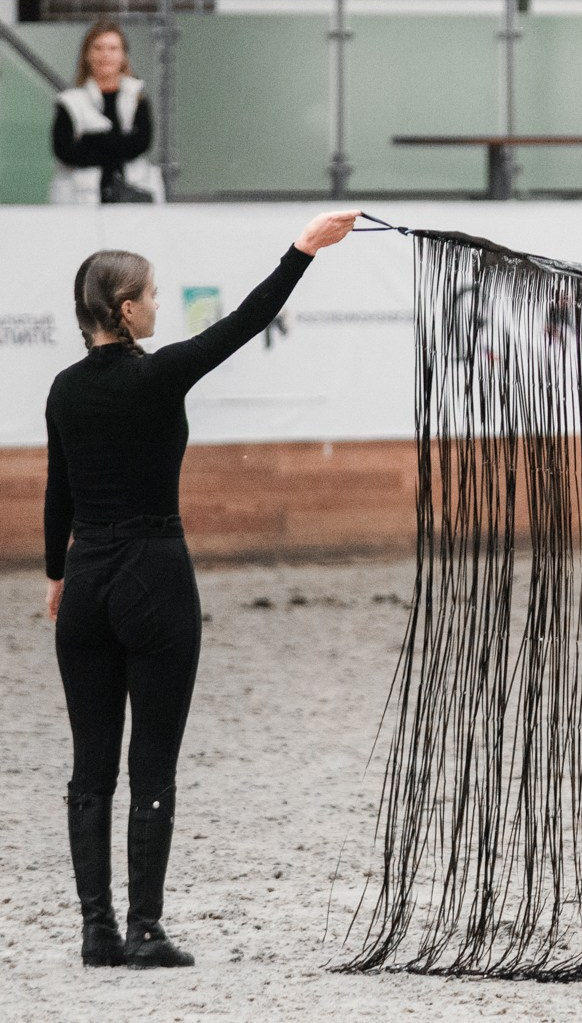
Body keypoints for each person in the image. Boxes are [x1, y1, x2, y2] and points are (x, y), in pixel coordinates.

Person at [44, 210, 362, 969]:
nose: (159, 303)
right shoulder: (158, 375)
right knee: (152, 762)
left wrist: (57, 575)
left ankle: (96, 931)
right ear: (126, 311)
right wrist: (303, 249)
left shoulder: (62, 390)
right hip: (154, 574)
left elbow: (59, 492)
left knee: (91, 765)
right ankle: (144, 929)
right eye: (152, 295)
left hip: (85, 584)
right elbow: (247, 320)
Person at [49, 21, 161, 205]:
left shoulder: (137, 98)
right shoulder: (70, 102)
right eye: (98, 48)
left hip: (132, 195)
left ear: (123, 55)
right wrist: (120, 144)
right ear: (87, 54)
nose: (105, 55)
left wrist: (91, 140)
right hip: (82, 198)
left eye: (113, 48)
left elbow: (141, 143)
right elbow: (65, 151)